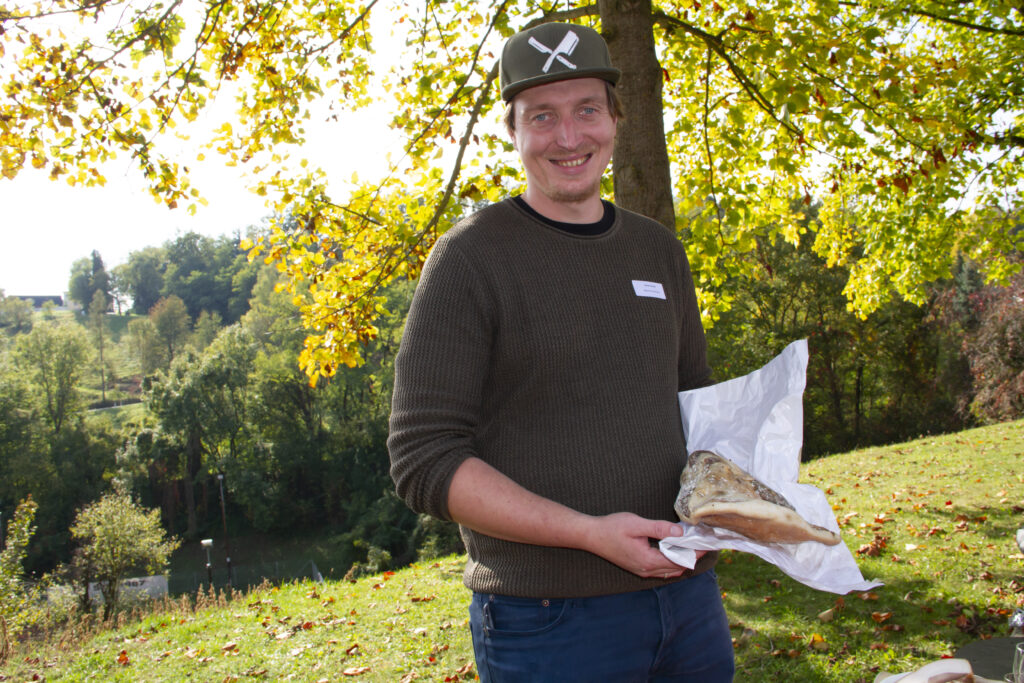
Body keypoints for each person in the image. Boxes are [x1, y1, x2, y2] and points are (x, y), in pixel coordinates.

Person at [387, 21, 735, 682]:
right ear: (511, 131)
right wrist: (588, 532)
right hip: (547, 623)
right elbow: (423, 459)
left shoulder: (659, 251)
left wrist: (742, 503)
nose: (569, 137)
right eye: (541, 116)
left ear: (615, 117)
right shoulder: (469, 259)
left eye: (586, 110)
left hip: (690, 602)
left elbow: (697, 406)